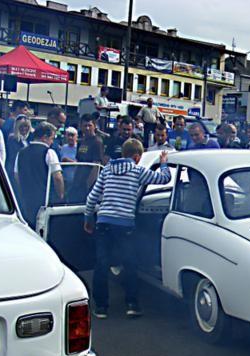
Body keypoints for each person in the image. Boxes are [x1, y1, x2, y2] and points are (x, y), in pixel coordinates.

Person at [84, 139, 172, 319]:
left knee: (101, 264)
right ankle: (132, 304)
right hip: (125, 224)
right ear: (137, 157)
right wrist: (164, 164)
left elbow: (93, 196)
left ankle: (101, 306)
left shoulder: (107, 170)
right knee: (130, 263)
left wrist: (88, 218)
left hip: (104, 222)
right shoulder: (137, 170)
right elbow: (164, 178)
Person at [15, 122, 64, 228]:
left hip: (25, 200)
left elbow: (17, 176)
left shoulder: (21, 153)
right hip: (44, 201)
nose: (52, 142)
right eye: (52, 138)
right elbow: (57, 177)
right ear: (45, 137)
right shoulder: (49, 152)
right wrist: (60, 195)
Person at [72, 114, 105, 203]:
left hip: (88, 184)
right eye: (85, 125)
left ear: (94, 126)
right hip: (78, 181)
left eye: (89, 125)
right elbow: (78, 162)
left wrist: (88, 187)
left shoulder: (97, 142)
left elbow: (96, 166)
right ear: (81, 127)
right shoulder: (81, 141)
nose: (87, 128)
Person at [5, 115, 32, 188]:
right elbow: (13, 156)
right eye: (21, 126)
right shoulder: (12, 139)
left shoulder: (30, 139)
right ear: (17, 127)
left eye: (26, 126)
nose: (24, 129)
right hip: (14, 170)